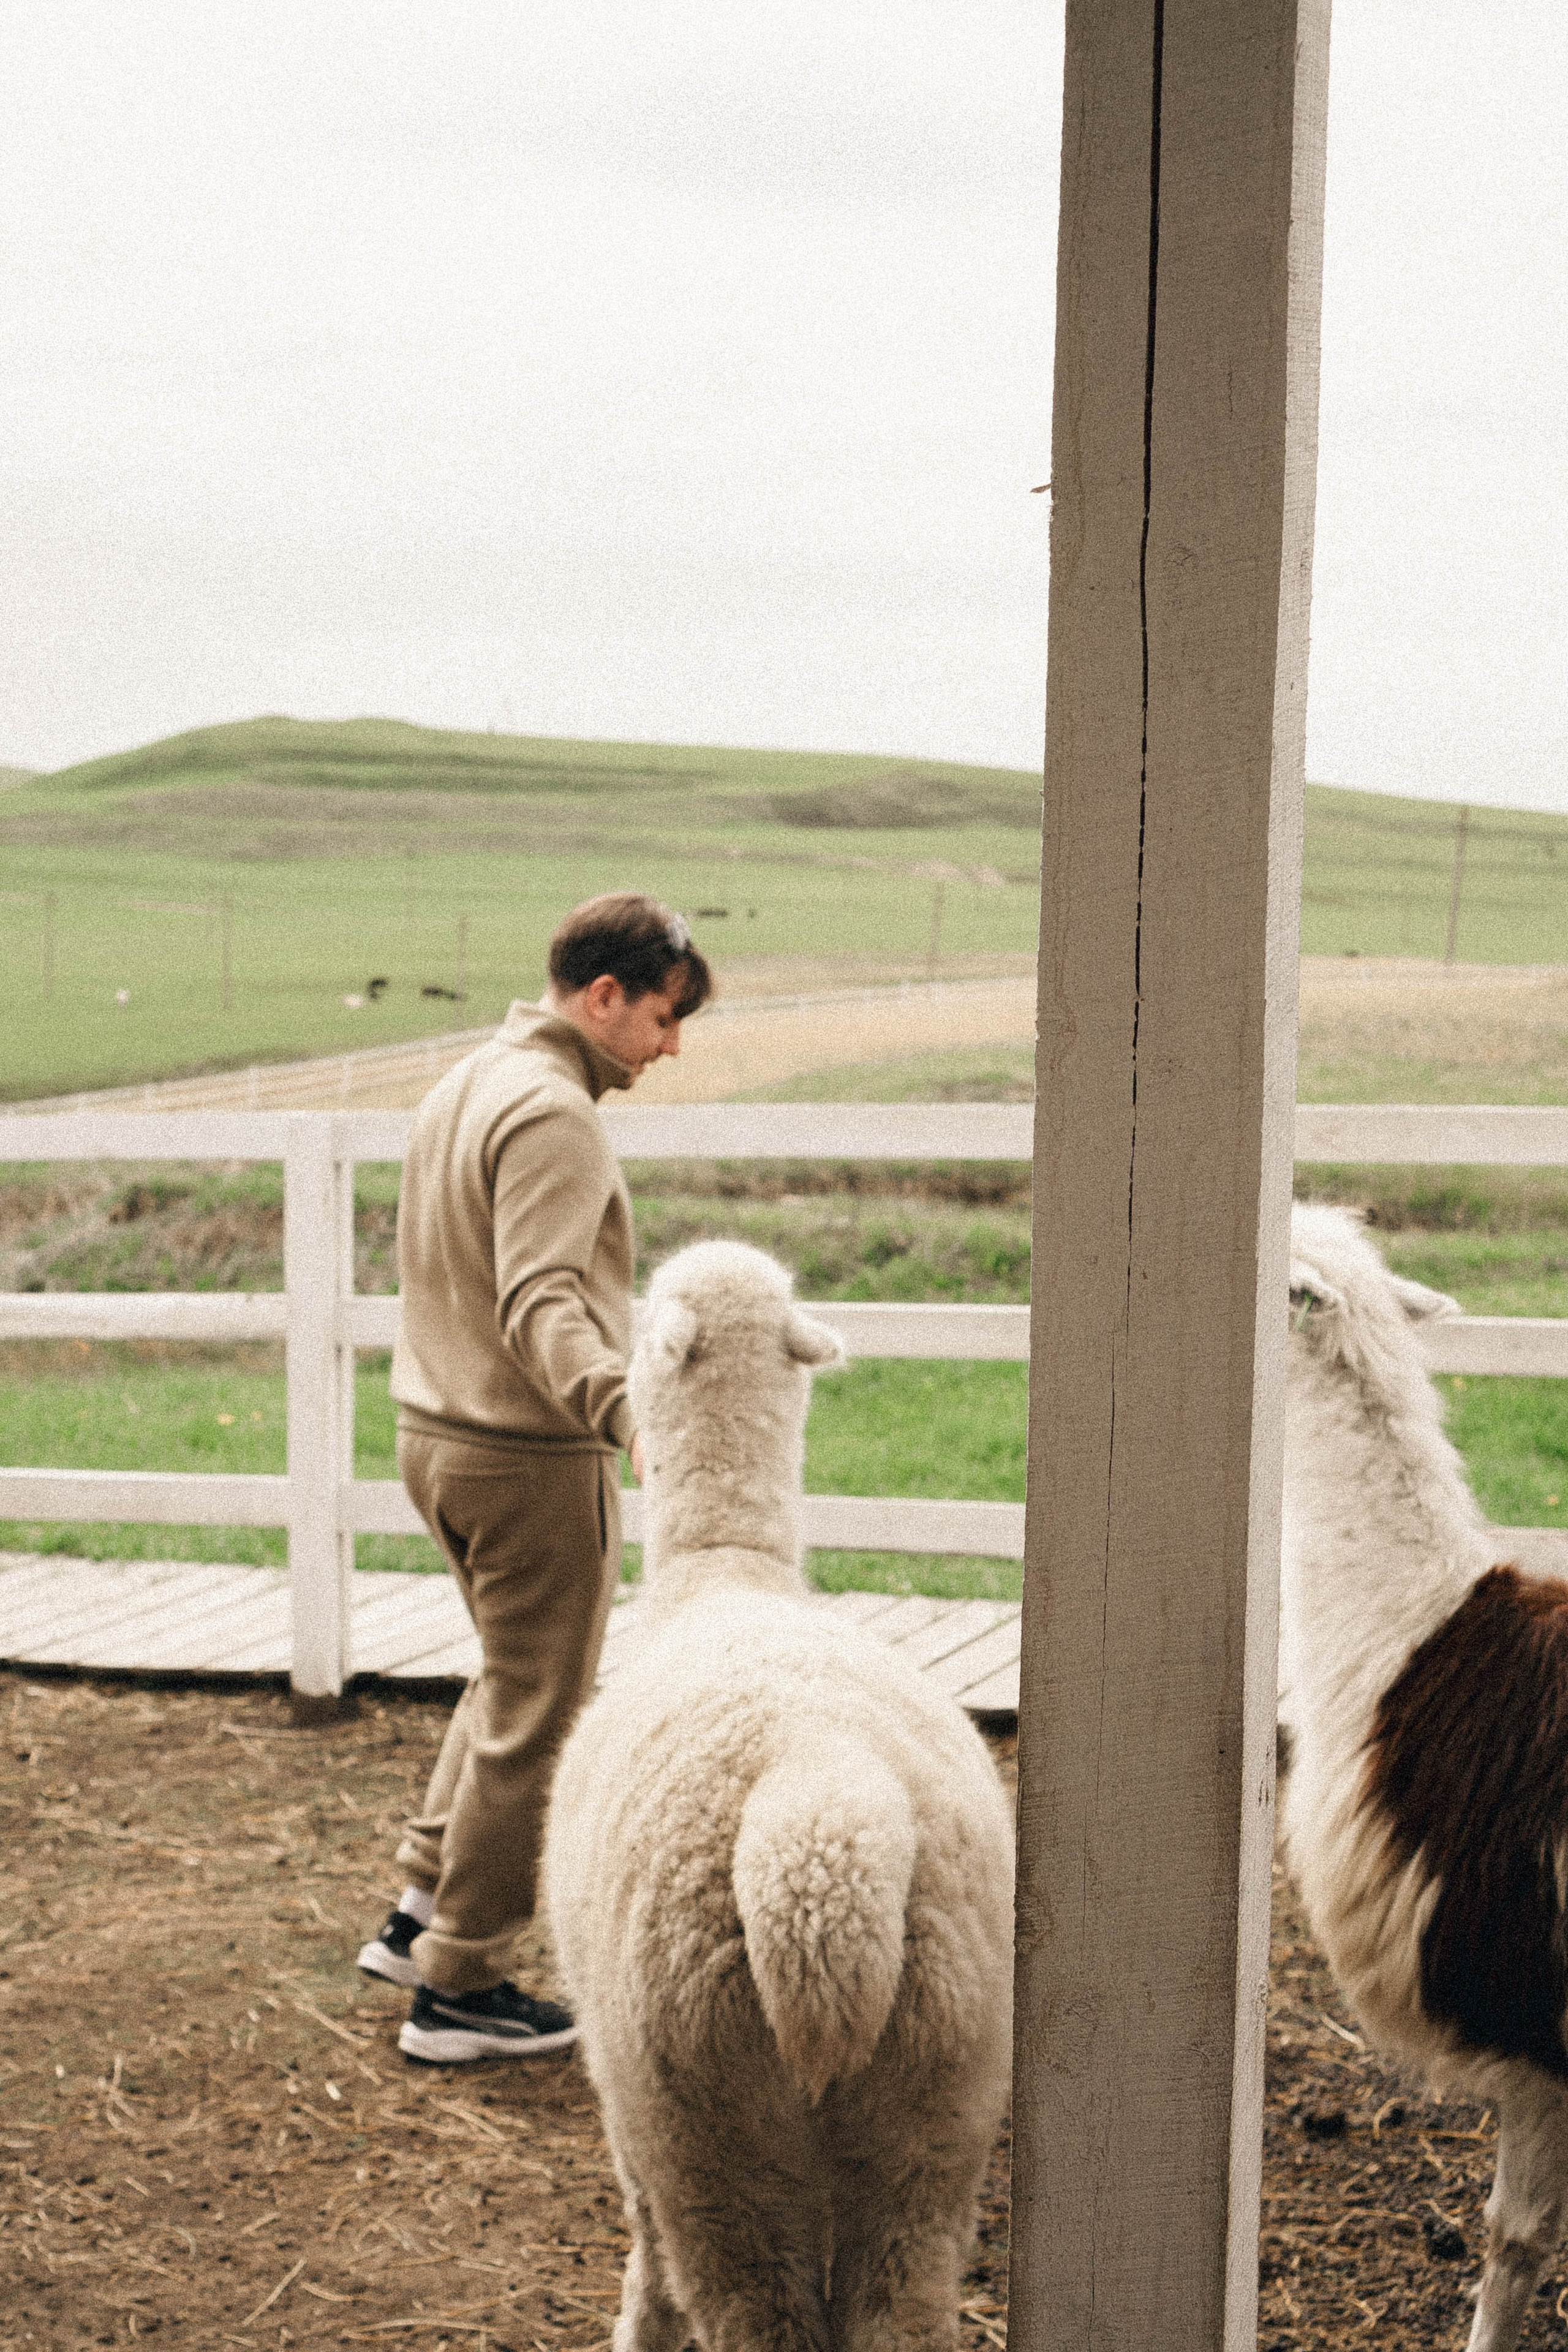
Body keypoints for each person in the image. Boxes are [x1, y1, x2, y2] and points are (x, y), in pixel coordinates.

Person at [357, 892, 713, 2064]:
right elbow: (544, 1300)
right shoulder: (556, 1115)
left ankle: (418, 1912)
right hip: (523, 1454)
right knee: (540, 1714)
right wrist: (625, 1411)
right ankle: (461, 1988)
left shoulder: (468, 1080)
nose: (670, 1047)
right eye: (662, 1018)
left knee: (507, 1681)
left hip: (435, 1435)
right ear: (602, 996)